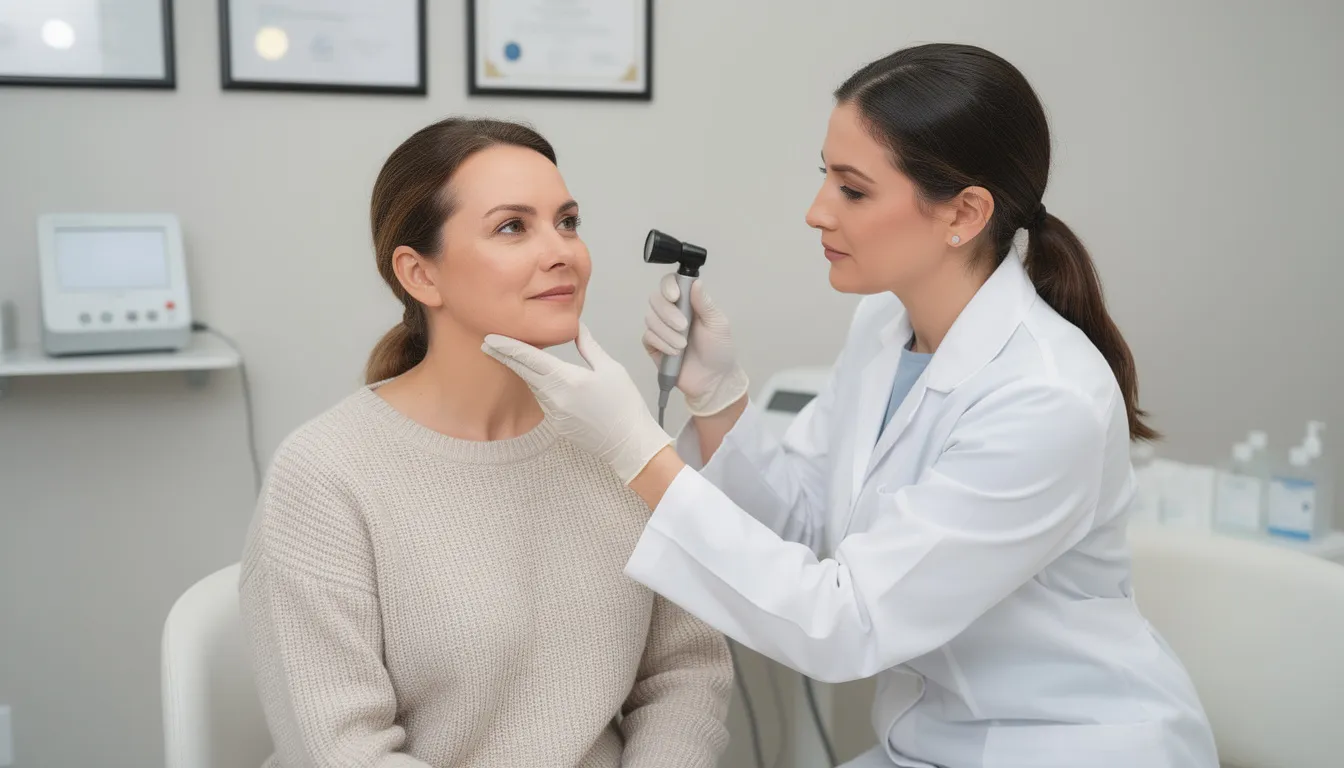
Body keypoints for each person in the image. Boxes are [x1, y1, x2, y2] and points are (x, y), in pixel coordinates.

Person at [482, 44, 1219, 768]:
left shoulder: (1047, 400)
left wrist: (636, 449)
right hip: (934, 737)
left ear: (963, 212)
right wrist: (718, 399)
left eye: (853, 189)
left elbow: (846, 621)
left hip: (1071, 743)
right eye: (824, 178)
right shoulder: (885, 327)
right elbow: (807, 524)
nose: (816, 211)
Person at [238, 117, 732, 768]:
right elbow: (345, 750)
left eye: (568, 221)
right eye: (512, 227)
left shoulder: (611, 436)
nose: (562, 252)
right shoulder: (328, 474)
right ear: (420, 275)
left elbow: (685, 670)